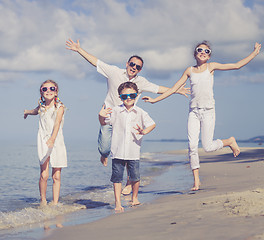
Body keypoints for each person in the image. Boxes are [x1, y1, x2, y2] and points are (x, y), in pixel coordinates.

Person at [66, 38, 189, 195]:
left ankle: (129, 182)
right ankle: (104, 154)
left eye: (138, 67)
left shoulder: (141, 82)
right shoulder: (114, 72)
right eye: (132, 64)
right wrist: (79, 50)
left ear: (140, 70)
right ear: (127, 64)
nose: (134, 68)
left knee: (128, 153)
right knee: (104, 148)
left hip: (128, 119)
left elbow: (158, 89)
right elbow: (95, 62)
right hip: (110, 116)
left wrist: (177, 90)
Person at [143, 41, 262, 191]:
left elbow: (236, 65)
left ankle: (229, 141)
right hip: (193, 112)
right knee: (192, 146)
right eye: (200, 50)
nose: (203, 52)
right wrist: (155, 100)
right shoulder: (189, 70)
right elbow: (174, 88)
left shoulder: (211, 67)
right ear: (195, 53)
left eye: (207, 51)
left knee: (208, 147)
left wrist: (254, 53)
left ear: (209, 55)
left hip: (208, 111)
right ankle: (196, 181)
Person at [99, 81, 156, 212]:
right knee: (117, 178)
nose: (128, 98)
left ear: (136, 96)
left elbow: (152, 124)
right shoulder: (115, 111)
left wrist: (144, 131)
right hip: (117, 151)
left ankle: (134, 198)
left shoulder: (140, 112)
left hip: (133, 151)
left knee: (135, 177)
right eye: (124, 96)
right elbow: (104, 123)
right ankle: (118, 203)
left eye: (131, 95)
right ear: (120, 97)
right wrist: (100, 115)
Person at [24, 80, 67, 206]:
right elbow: (34, 111)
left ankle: (55, 202)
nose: (48, 91)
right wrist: (26, 112)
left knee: (56, 176)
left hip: (56, 141)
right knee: (44, 174)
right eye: (45, 89)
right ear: (41, 92)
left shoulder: (60, 108)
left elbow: (57, 124)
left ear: (56, 91)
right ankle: (43, 200)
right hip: (43, 141)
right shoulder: (41, 108)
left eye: (51, 88)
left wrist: (53, 139)